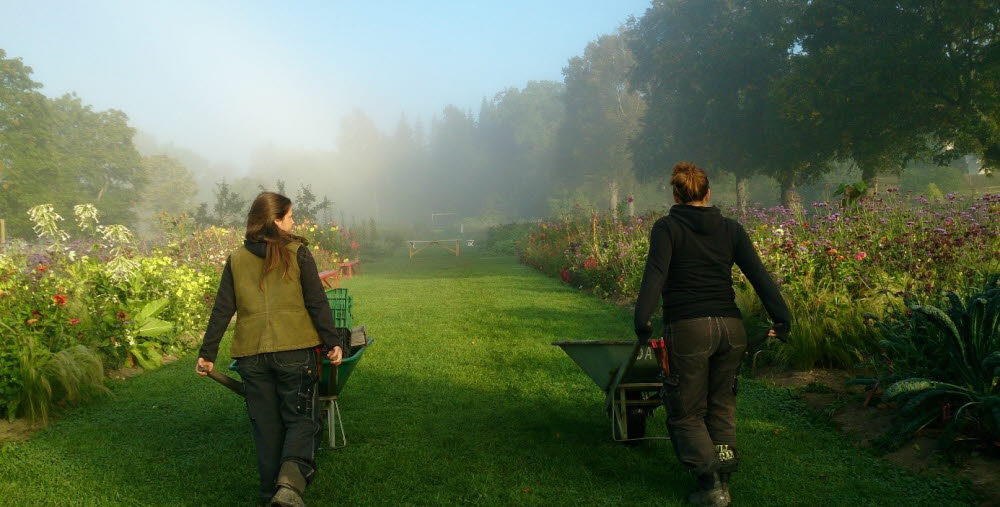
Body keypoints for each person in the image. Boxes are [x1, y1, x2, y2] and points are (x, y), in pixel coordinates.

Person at [634, 162, 791, 507]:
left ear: (676, 194)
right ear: (708, 193)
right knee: (721, 405)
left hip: (689, 328)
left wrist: (642, 321)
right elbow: (759, 276)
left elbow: (655, 275)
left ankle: (710, 487)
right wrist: (782, 318)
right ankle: (724, 479)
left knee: (686, 411)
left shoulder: (667, 228)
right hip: (729, 328)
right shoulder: (731, 229)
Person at [196, 192, 346, 507]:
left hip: (251, 356)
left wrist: (207, 353)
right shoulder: (297, 252)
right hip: (296, 350)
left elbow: (222, 309)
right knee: (303, 419)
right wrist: (332, 341)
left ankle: (270, 497)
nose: (294, 222)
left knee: (266, 429)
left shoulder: (236, 258)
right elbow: (316, 301)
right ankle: (289, 487)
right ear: (276, 220)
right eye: (290, 216)